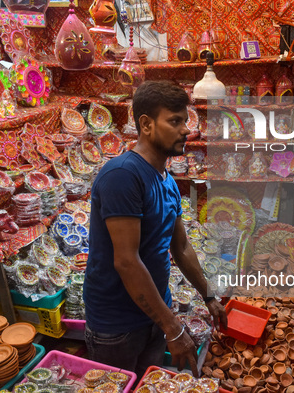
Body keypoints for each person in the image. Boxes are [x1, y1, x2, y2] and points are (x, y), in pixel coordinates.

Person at [83, 81, 227, 379]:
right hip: (117, 326)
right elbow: (126, 260)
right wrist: (172, 327)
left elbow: (181, 247)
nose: (186, 129)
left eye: (185, 120)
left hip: (154, 315)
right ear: (146, 124)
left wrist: (208, 295)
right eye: (175, 121)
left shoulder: (167, 180)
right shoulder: (123, 176)